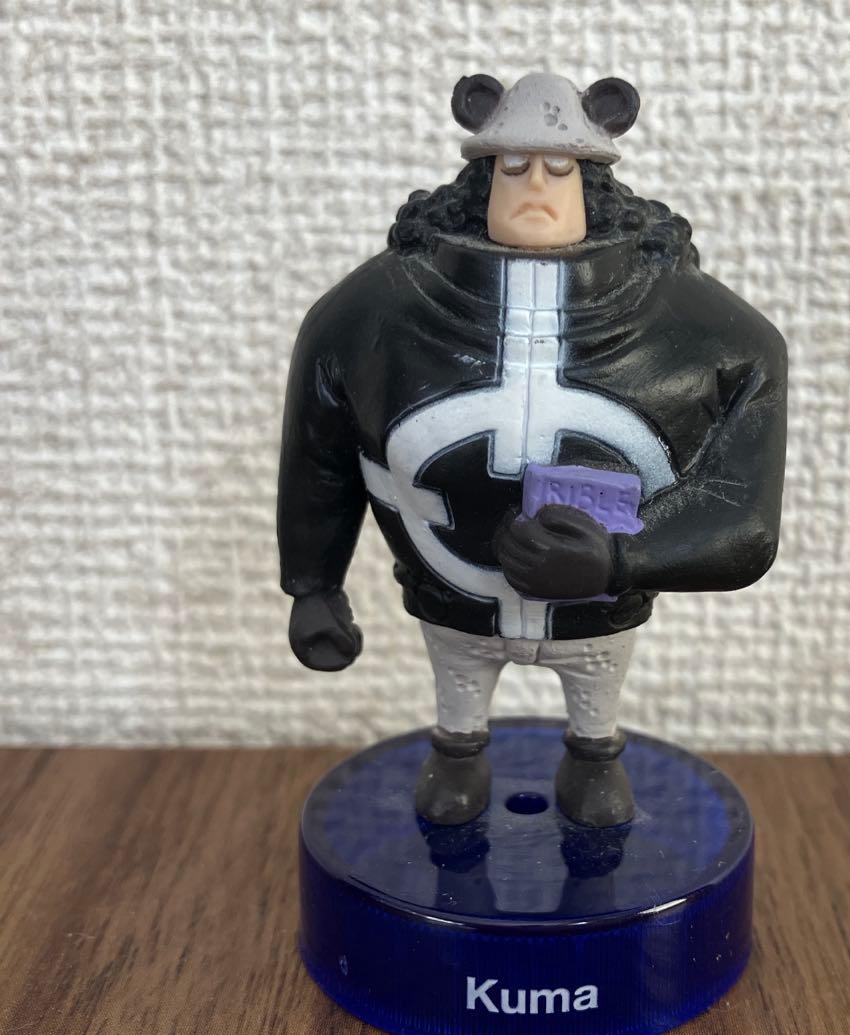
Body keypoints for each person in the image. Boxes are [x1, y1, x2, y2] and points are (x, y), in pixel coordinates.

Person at [277, 73, 787, 827]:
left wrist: (620, 561)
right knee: (459, 678)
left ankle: (594, 753)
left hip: (601, 610)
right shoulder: (372, 312)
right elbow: (320, 453)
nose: (536, 189)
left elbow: (742, 517)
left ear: (593, 181)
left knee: (595, 683)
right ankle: (458, 751)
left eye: (559, 169)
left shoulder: (711, 334)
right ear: (483, 178)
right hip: (451, 596)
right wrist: (313, 584)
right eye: (514, 168)